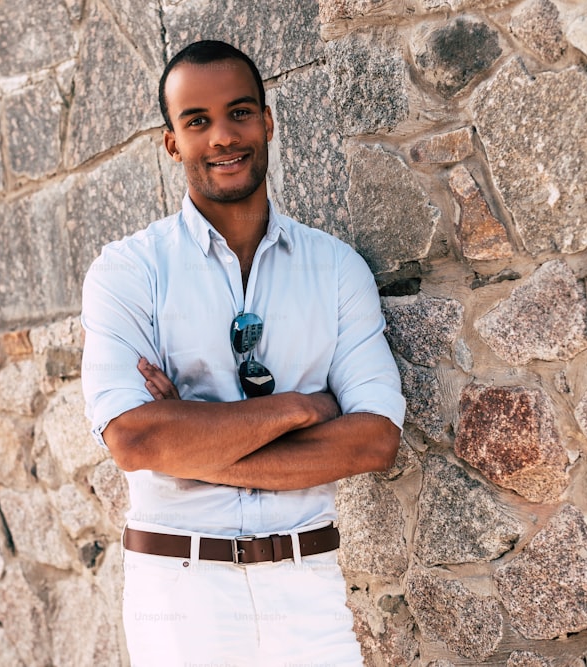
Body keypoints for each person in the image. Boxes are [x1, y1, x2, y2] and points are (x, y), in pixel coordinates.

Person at [81, 39, 405, 666]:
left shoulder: (336, 268)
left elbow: (373, 441)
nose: (223, 136)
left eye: (240, 112)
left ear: (268, 120)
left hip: (306, 583)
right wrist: (300, 407)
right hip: (180, 589)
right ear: (172, 141)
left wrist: (194, 443)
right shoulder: (128, 270)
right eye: (196, 121)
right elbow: (136, 442)